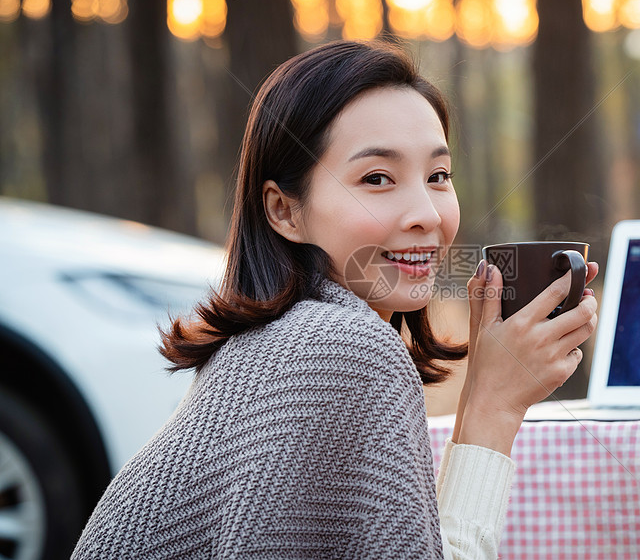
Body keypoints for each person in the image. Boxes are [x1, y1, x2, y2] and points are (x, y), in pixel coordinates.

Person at [72, 39, 598, 559]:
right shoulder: (341, 350)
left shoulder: (277, 346)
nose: (428, 215)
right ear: (284, 211)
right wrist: (493, 405)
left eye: (438, 176)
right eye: (376, 178)